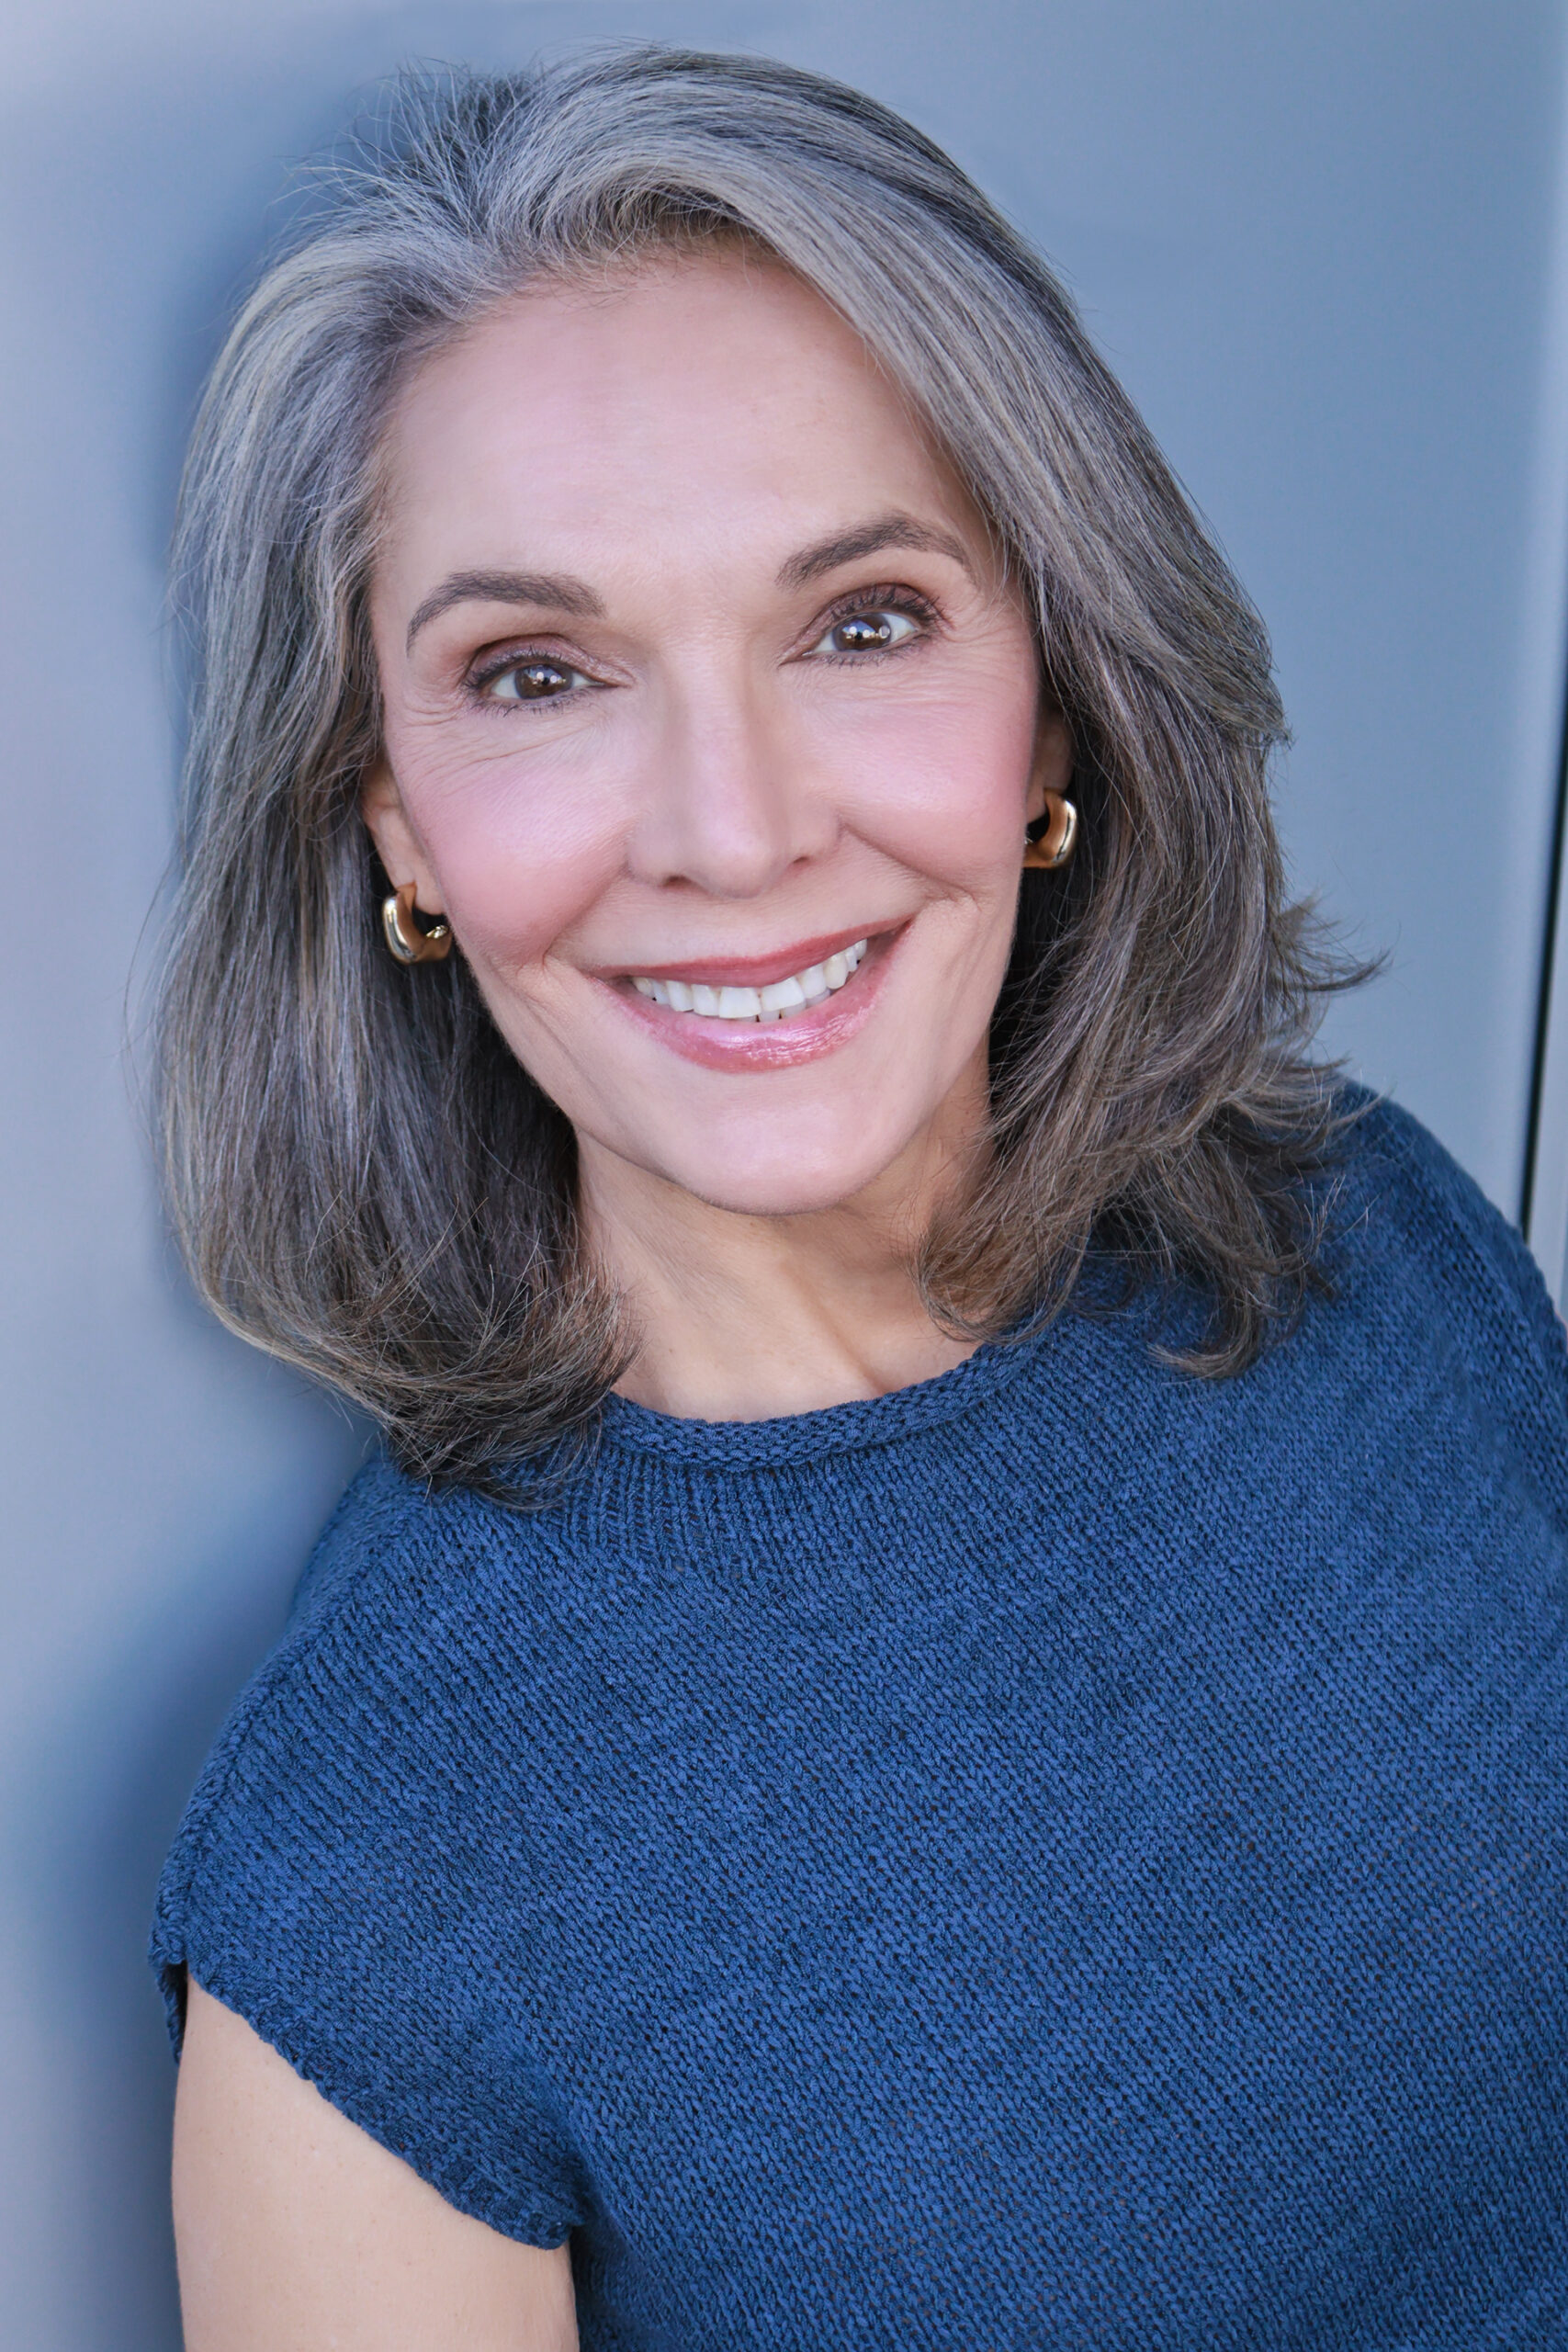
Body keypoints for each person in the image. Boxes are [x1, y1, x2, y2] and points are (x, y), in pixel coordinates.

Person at [151, 45, 1567, 2352]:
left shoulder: (1364, 1225)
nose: (731, 826)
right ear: (395, 822)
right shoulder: (371, 1874)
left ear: (1054, 710)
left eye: (862, 621)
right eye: (536, 673)